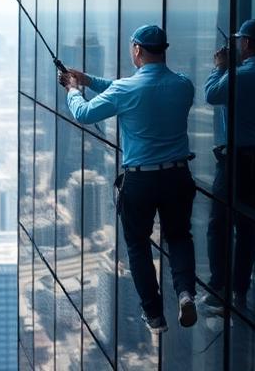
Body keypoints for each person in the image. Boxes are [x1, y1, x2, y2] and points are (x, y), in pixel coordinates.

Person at [59, 24, 197, 334]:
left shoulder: (126, 90)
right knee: (179, 237)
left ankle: (155, 315)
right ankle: (186, 293)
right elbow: (129, 90)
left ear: (136, 50)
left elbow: (84, 113)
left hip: (141, 182)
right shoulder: (183, 86)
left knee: (137, 245)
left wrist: (72, 90)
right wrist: (89, 80)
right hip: (177, 176)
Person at [201, 19, 255, 312]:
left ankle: (218, 288)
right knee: (248, 230)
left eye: (240, 42)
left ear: (247, 44)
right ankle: (239, 293)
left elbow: (211, 95)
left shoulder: (240, 76)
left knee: (218, 225)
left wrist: (221, 67)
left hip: (239, 163)